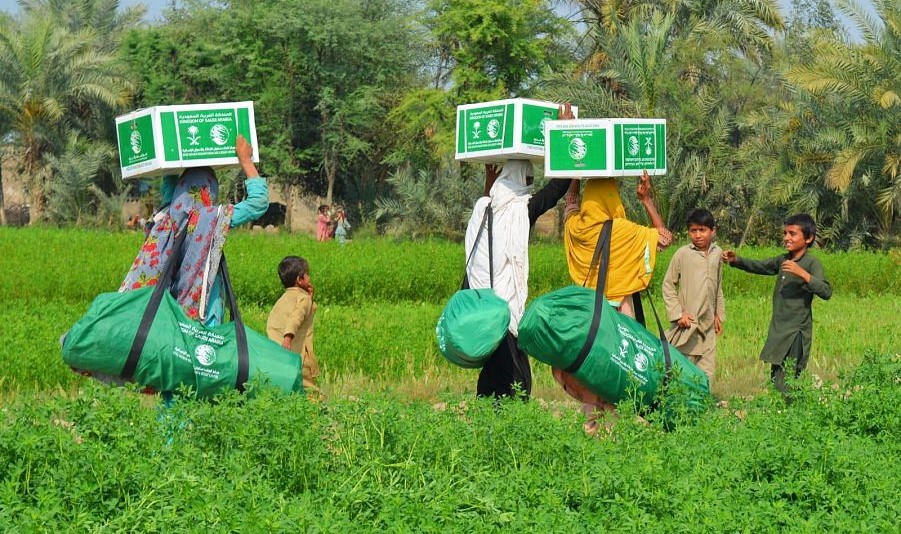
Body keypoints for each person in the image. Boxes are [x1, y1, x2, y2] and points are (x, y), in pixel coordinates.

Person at [464, 103, 576, 400]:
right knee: (515, 378)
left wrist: (490, 181)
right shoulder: (521, 211)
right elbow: (558, 188)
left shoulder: (483, 208)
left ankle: (488, 411)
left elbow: (486, 209)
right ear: (519, 180)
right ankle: (507, 416)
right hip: (505, 308)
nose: (530, 186)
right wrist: (565, 131)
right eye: (528, 180)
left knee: (494, 369)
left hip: (482, 305)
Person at [553, 170, 673, 433]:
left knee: (592, 372)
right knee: (619, 372)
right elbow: (664, 239)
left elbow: (570, 204)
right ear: (613, 199)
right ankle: (617, 432)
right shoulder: (626, 232)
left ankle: (591, 427)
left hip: (590, 319)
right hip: (620, 317)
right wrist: (646, 199)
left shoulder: (577, 228)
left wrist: (575, 174)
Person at [120, 135, 267, 327]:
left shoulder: (165, 217)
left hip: (167, 319)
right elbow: (258, 203)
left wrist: (171, 153)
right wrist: (246, 160)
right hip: (202, 318)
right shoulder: (210, 219)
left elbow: (169, 186)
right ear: (209, 192)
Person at [723, 213, 832, 397]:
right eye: (785, 233)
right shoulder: (783, 260)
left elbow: (826, 291)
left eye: (792, 234)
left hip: (796, 332)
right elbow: (761, 266)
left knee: (789, 379)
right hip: (779, 329)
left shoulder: (812, 263)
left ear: (808, 238)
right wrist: (736, 260)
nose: (787, 238)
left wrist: (802, 274)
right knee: (776, 377)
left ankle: (792, 410)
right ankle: (781, 409)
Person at [661, 208, 725, 386]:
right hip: (688, 324)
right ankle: (679, 401)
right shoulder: (683, 254)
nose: (697, 235)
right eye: (693, 230)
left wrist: (718, 314)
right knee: (683, 370)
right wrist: (678, 314)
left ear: (713, 231)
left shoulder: (717, 253)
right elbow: (668, 284)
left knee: (707, 372)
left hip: (708, 324)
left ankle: (703, 401)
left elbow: (718, 286)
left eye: (702, 230)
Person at [266, 256, 320, 397]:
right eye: (307, 274)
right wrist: (288, 337)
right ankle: (316, 405)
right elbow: (296, 317)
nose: (309, 278)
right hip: (300, 354)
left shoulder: (282, 300)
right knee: (308, 387)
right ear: (299, 280)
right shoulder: (303, 299)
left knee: (285, 387)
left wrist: (310, 298)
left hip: (280, 355)